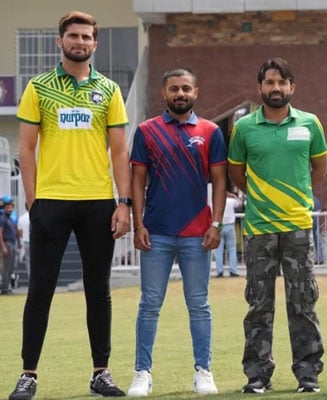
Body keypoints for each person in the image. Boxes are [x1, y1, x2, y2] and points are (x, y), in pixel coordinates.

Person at [11, 11, 130, 399]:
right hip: (51, 202)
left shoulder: (109, 90)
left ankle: (101, 373)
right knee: (40, 289)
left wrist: (123, 202)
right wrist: (33, 201)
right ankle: (28, 374)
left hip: (98, 202)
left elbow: (119, 152)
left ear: (95, 44)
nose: (80, 42)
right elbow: (26, 149)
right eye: (73, 36)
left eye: (86, 37)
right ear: (59, 42)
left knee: (99, 289)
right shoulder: (39, 87)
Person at [228, 57, 327, 394]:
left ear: (292, 87)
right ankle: (257, 375)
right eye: (269, 83)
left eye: (282, 82)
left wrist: (295, 197)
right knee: (259, 304)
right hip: (259, 228)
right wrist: (263, 198)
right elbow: (236, 174)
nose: (275, 88)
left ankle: (308, 374)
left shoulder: (310, 123)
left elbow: (319, 168)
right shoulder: (244, 128)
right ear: (260, 88)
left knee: (302, 303)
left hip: (298, 226)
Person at [127, 67, 226, 396]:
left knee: (199, 304)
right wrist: (138, 224)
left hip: (198, 234)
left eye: (186, 88)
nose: (180, 94)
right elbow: (137, 180)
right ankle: (142, 373)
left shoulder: (211, 131)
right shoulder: (146, 131)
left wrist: (216, 224)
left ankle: (204, 371)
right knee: (149, 304)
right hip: (155, 233)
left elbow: (220, 181)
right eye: (174, 89)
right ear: (164, 94)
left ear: (196, 93)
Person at [215, 189, 242, 277]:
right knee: (232, 249)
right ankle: (233, 270)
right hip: (230, 225)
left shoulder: (216, 202)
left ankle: (219, 271)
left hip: (220, 226)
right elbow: (240, 203)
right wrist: (234, 196)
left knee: (219, 250)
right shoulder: (231, 201)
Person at [0, 196, 20, 294]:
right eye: (7, 207)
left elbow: (16, 231)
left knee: (11, 267)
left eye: (11, 207)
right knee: (6, 267)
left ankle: (7, 287)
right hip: (7, 243)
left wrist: (19, 243)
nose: (9, 209)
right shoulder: (2, 219)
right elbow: (0, 233)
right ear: (4, 208)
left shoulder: (11, 219)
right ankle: (4, 289)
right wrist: (3, 246)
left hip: (13, 243)